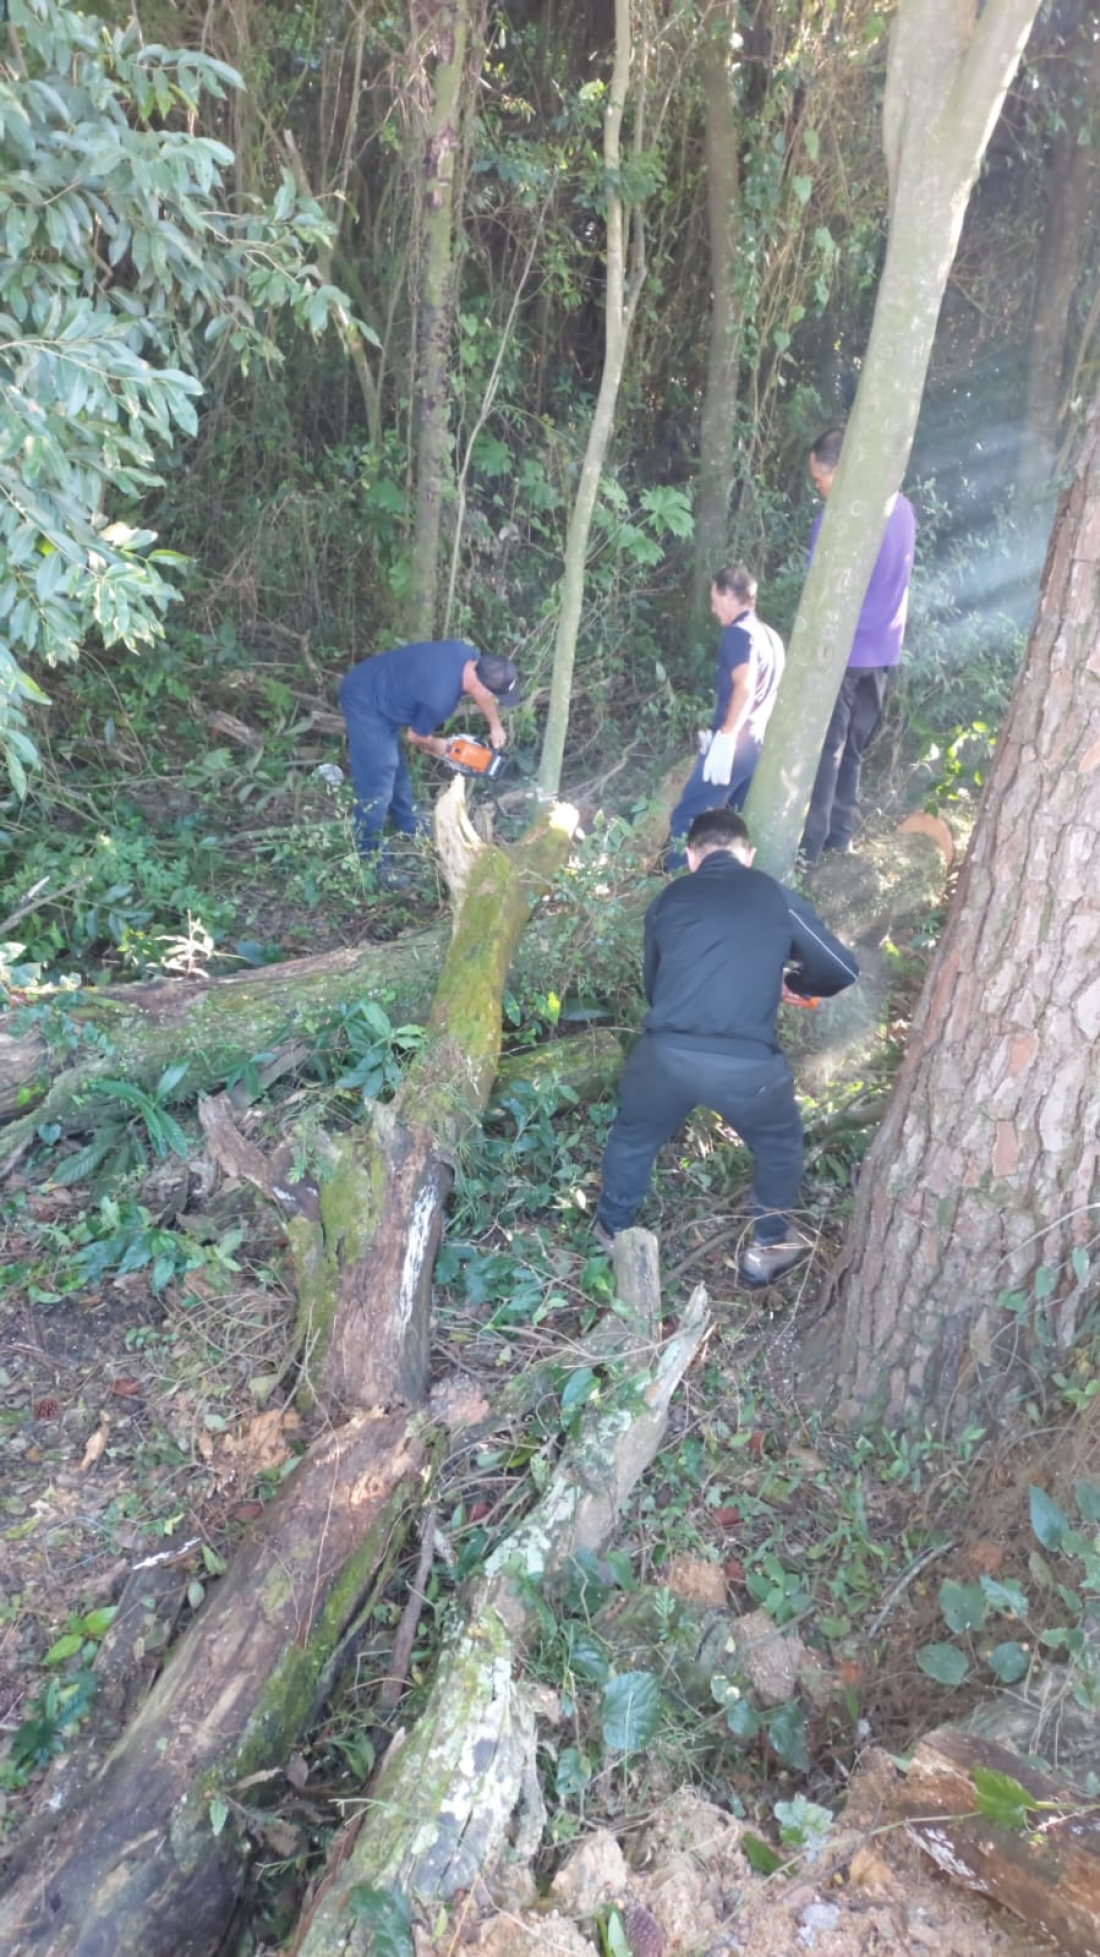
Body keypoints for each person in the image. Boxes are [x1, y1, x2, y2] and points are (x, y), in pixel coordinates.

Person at [595, 808, 858, 1285]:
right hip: (747, 1066)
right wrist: (793, 980)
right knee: (779, 1145)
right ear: (748, 854)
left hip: (666, 1056)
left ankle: (612, 1233)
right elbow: (842, 969)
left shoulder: (667, 899)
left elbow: (655, 987)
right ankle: (767, 1247)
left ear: (692, 856)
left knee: (633, 1138)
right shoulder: (773, 895)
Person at [800, 428, 917, 864]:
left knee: (826, 753)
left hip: (843, 656)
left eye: (819, 480)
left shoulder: (836, 523)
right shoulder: (902, 508)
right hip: (885, 652)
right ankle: (840, 837)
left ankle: (809, 851)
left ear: (841, 471)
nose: (818, 490)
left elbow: (818, 594)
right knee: (853, 750)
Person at [339, 640, 523, 880]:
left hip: (382, 685)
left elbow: (482, 690)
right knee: (378, 782)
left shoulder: (468, 655)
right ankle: (369, 862)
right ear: (484, 686)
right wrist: (442, 747)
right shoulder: (440, 697)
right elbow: (415, 736)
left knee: (393, 766)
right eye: (495, 695)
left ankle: (410, 825)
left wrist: (495, 725)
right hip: (365, 701)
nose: (492, 698)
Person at [666, 566, 785, 871]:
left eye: (715, 598)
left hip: (736, 746)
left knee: (689, 819)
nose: (712, 607)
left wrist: (727, 737)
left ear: (730, 595)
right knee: (730, 826)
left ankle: (678, 887)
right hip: (759, 746)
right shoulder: (770, 637)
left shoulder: (738, 634)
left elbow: (745, 687)